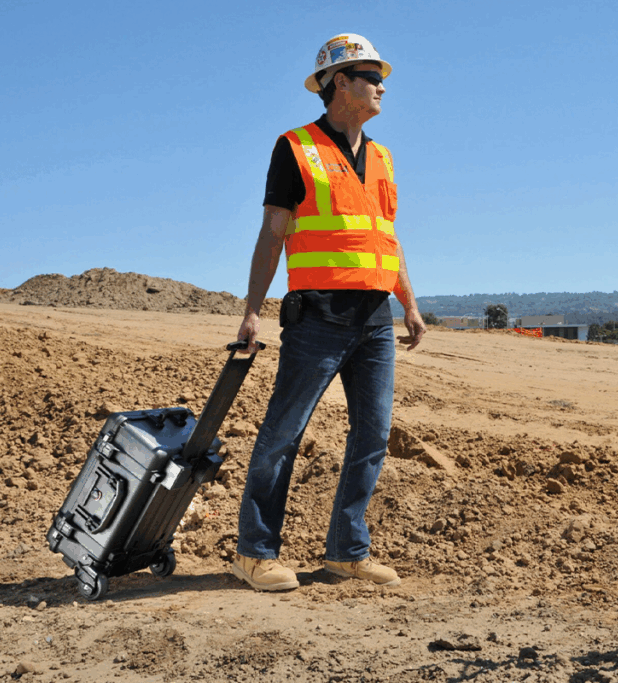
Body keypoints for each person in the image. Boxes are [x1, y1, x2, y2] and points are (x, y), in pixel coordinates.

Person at [231, 33, 426, 591]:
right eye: (372, 78)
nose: (382, 87)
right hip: (318, 316)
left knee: (372, 436)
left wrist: (409, 304)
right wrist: (252, 310)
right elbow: (272, 235)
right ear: (341, 82)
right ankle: (254, 553)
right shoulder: (295, 147)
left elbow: (387, 237)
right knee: (284, 433)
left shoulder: (382, 157)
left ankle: (347, 552)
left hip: (374, 318)